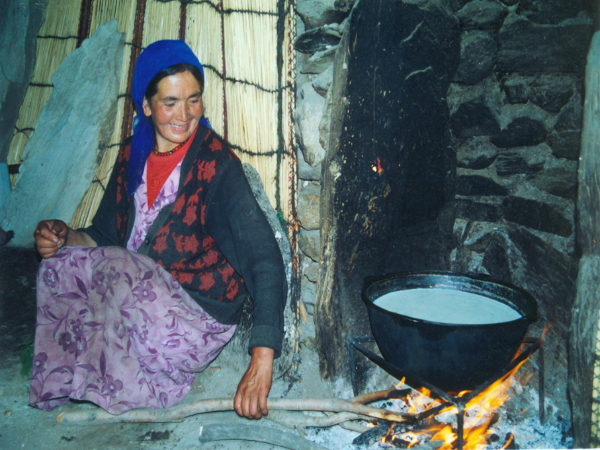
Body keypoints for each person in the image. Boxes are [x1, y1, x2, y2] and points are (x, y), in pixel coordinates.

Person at [30, 40, 286, 419]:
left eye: (194, 100)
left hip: (194, 320)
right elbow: (104, 236)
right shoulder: (133, 155)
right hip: (137, 298)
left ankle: (143, 383)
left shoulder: (215, 166)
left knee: (116, 267)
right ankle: (65, 382)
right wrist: (64, 238)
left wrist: (262, 358)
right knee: (58, 267)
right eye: (170, 102)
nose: (185, 114)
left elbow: (265, 258)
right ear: (147, 106)